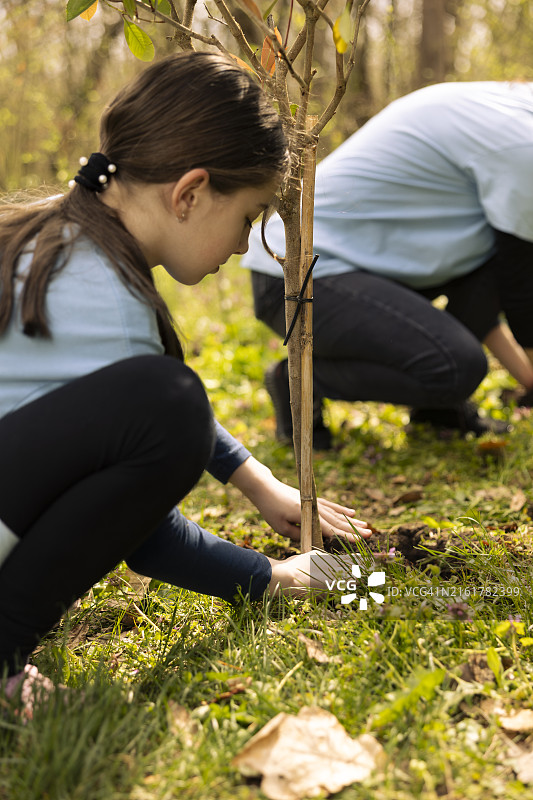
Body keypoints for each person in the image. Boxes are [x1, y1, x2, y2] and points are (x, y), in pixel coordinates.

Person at [0, 52, 371, 715]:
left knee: (165, 401)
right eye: (249, 216)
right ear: (191, 193)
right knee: (168, 402)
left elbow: (110, 421)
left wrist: (255, 482)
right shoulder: (109, 308)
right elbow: (142, 523)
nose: (241, 246)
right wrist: (269, 579)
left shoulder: (57, 234)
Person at [243, 80, 533, 449]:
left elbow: (485, 288)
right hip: (297, 270)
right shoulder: (521, 141)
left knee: (487, 270)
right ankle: (300, 380)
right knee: (459, 366)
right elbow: (522, 289)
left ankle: (438, 410)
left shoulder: (504, 108)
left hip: (355, 266)